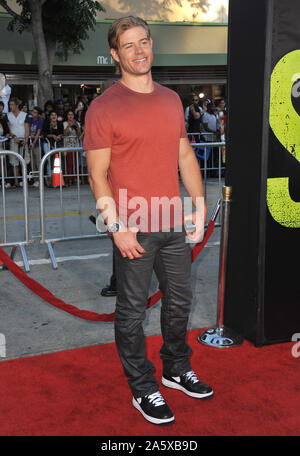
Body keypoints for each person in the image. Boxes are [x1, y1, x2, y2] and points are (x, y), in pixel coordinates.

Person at [84, 16, 213, 426]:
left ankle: (175, 368)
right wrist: (115, 226)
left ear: (151, 45)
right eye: (129, 46)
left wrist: (199, 204)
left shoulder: (172, 100)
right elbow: (96, 175)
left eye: (144, 42)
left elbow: (185, 156)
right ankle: (143, 388)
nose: (139, 51)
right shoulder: (103, 107)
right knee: (132, 311)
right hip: (133, 225)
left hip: (172, 219)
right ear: (116, 55)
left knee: (180, 302)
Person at [7, 97, 30, 187]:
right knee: (14, 161)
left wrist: (26, 139)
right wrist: (13, 136)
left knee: (24, 160)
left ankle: (25, 180)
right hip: (13, 140)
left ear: (17, 105)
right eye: (10, 105)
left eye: (12, 104)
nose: (11, 106)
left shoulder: (24, 115)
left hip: (23, 139)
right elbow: (8, 128)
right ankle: (16, 181)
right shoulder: (8, 115)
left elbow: (26, 128)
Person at [63, 110, 81, 185]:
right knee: (69, 163)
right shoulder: (64, 123)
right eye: (69, 115)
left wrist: (77, 126)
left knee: (76, 163)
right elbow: (65, 133)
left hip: (76, 145)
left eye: (72, 114)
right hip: (68, 145)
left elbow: (79, 135)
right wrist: (68, 126)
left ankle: (76, 178)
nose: (70, 116)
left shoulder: (77, 123)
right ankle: (70, 179)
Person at [29, 106, 44, 187]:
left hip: (37, 143)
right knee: (33, 163)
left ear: (38, 114)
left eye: (35, 112)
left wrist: (34, 142)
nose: (33, 113)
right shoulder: (30, 120)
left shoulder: (40, 120)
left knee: (38, 162)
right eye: (32, 112)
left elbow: (38, 132)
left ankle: (39, 179)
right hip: (30, 142)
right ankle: (35, 180)